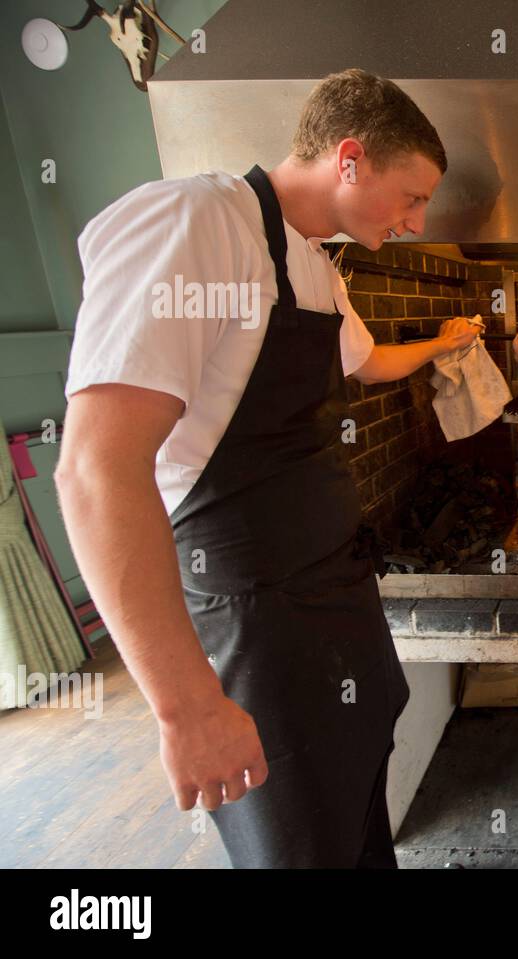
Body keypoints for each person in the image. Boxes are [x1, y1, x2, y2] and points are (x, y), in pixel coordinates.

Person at [55, 68, 479, 868]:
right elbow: (93, 469)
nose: (418, 221)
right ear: (349, 159)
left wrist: (446, 344)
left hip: (333, 601)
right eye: (412, 195)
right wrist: (186, 709)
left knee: (356, 817)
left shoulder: (317, 266)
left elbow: (370, 363)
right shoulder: (195, 223)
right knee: (297, 842)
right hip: (254, 620)